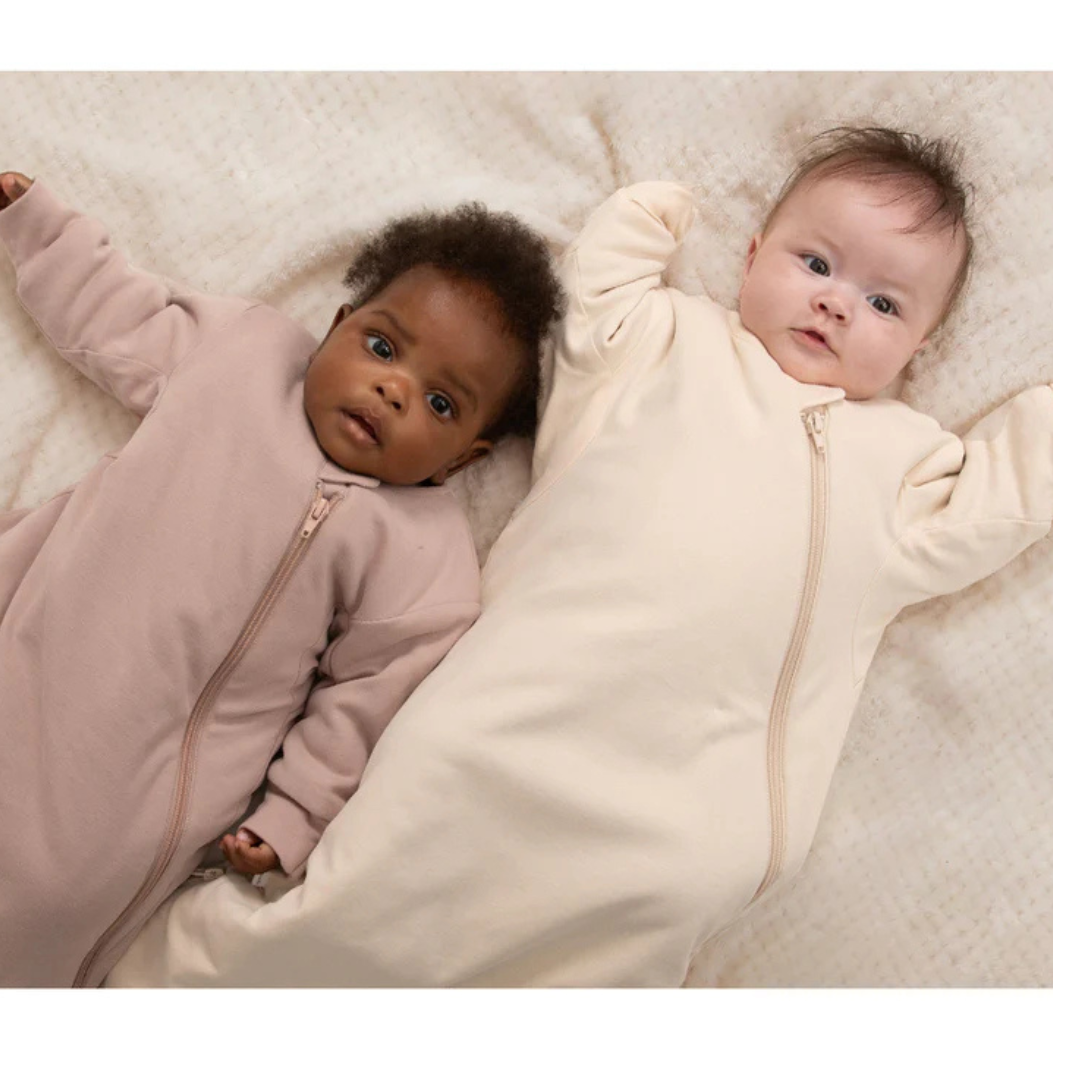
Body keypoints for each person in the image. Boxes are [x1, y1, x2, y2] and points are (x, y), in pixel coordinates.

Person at [0, 170, 564, 987]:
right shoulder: (241, 357)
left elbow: (366, 701)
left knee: (46, 907)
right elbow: (121, 316)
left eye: (441, 403)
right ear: (336, 327)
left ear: (465, 458)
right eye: (382, 347)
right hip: (32, 630)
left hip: (135, 793)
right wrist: (41, 231)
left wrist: (295, 813)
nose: (394, 389)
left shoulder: (421, 555)